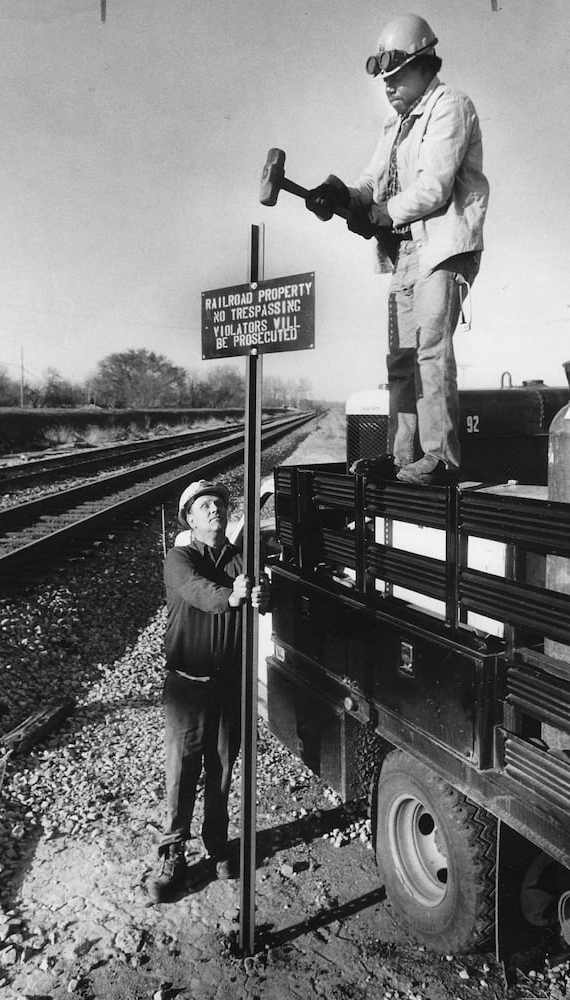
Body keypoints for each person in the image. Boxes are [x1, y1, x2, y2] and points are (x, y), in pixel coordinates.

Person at [306, 13, 489, 486]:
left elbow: (434, 187)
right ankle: (403, 456)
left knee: (430, 350)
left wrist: (383, 214)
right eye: (383, 80)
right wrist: (338, 195)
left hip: (441, 249)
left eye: (396, 75)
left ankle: (441, 459)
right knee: (402, 359)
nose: (388, 87)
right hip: (405, 253)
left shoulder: (450, 106)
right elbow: (371, 182)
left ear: (424, 64)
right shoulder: (397, 123)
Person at [148, 479, 270, 902]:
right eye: (203, 505)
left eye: (217, 503)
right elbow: (197, 592)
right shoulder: (179, 558)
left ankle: (217, 844)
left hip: (227, 686)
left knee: (220, 771)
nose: (213, 509)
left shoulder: (241, 560)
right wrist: (232, 596)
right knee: (182, 773)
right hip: (186, 685)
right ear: (190, 519)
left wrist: (261, 592)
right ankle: (172, 853)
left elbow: (257, 596)